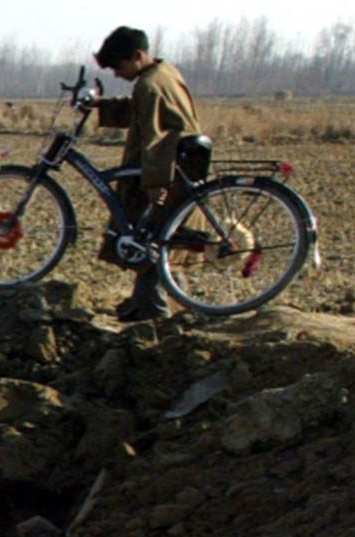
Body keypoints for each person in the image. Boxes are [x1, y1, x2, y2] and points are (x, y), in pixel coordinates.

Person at [93, 26, 201, 322]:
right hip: (181, 169)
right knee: (154, 244)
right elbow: (139, 112)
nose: (117, 73)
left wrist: (156, 184)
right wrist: (101, 107)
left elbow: (158, 138)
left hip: (165, 172)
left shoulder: (148, 85)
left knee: (150, 245)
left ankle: (155, 317)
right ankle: (150, 308)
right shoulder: (165, 73)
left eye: (119, 66)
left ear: (138, 56)